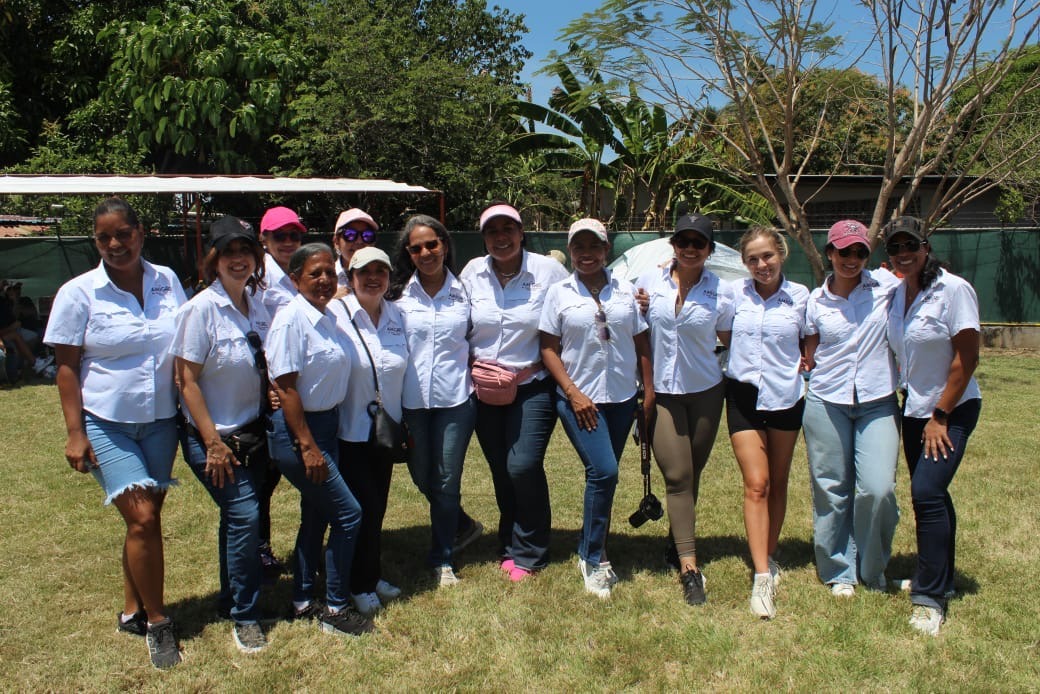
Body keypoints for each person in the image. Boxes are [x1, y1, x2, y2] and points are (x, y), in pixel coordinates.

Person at [44, 197, 186, 669]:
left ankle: (132, 610)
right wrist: (75, 432)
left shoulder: (167, 281)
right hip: (107, 422)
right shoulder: (78, 293)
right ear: (96, 241)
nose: (114, 244)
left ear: (139, 233)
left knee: (142, 522)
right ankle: (159, 623)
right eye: (104, 237)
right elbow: (66, 368)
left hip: (162, 421)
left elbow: (187, 344)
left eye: (122, 233)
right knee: (143, 518)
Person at [170, 216, 272, 653]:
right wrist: (212, 442)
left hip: (253, 433)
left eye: (245, 251)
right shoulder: (200, 310)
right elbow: (185, 381)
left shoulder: (257, 303)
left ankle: (230, 598)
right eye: (228, 252)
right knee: (246, 517)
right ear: (213, 259)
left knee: (237, 521)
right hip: (213, 438)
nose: (238, 259)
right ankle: (244, 615)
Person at [540, 218, 654, 599]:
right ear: (570, 251)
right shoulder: (558, 293)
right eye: (578, 247)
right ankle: (591, 557)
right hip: (580, 400)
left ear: (607, 251)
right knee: (603, 472)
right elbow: (548, 348)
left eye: (594, 247)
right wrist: (572, 392)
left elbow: (640, 342)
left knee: (606, 475)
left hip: (621, 397)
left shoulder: (626, 291)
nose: (586, 254)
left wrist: (647, 392)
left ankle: (596, 543)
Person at [264, 243, 373, 638]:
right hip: (301, 433)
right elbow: (287, 389)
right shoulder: (292, 319)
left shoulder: (324, 317)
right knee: (348, 514)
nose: (325, 280)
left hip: (326, 426)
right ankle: (336, 606)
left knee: (318, 515)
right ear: (295, 280)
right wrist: (307, 445)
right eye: (314, 274)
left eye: (330, 272)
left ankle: (304, 599)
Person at [884, 216, 981, 637]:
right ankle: (942, 576)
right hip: (914, 410)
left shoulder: (953, 290)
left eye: (911, 245)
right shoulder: (897, 292)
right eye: (895, 247)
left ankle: (930, 597)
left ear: (926, 246)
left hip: (951, 410)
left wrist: (941, 415)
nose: (903, 253)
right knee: (933, 494)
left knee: (925, 492)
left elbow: (967, 357)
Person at [461, 203, 568, 581]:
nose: (501, 237)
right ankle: (508, 542)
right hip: (485, 387)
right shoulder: (473, 272)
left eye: (509, 229)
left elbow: (575, 305)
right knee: (501, 470)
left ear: (522, 233)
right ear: (484, 237)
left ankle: (532, 550)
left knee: (522, 465)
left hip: (531, 384)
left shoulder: (548, 271)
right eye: (493, 231)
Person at [634, 213, 733, 606]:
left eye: (699, 242)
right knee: (677, 476)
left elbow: (731, 337)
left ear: (709, 249)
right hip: (663, 395)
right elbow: (629, 323)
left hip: (707, 391)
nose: (690, 248)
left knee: (693, 472)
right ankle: (690, 568)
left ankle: (677, 541)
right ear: (673, 245)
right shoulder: (646, 281)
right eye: (683, 241)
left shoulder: (722, 291)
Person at [802, 220, 901, 598]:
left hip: (877, 401)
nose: (852, 259)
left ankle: (873, 566)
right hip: (827, 400)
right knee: (831, 489)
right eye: (845, 252)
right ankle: (838, 570)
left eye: (860, 252)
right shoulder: (815, 300)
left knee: (877, 488)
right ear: (830, 253)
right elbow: (809, 348)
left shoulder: (887, 287)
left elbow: (923, 283)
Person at [387, 215, 476, 586]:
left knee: (446, 479)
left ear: (445, 245)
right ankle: (463, 524)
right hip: (411, 404)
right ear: (408, 253)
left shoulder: (466, 291)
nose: (426, 252)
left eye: (432, 244)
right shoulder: (395, 296)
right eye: (417, 247)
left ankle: (442, 558)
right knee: (423, 475)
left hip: (456, 400)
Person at [726, 226, 809, 619]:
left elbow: (814, 337)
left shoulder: (802, 298)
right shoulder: (733, 296)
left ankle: (770, 554)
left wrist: (808, 360)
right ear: (744, 263)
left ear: (781, 255)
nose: (762, 265)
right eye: (753, 259)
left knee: (778, 481)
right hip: (742, 395)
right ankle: (761, 576)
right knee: (756, 483)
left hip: (786, 398)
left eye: (768, 256)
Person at [330, 247, 408, 615]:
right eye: (365, 272)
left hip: (384, 432)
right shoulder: (336, 313)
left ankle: (370, 574)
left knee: (377, 509)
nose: (373, 278)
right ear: (350, 275)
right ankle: (356, 584)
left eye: (381, 271)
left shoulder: (397, 316)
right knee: (362, 509)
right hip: (349, 431)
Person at [255, 205, 306, 574]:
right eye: (280, 236)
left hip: (299, 384)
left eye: (294, 235)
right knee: (264, 476)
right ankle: (259, 550)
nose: (288, 242)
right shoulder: (258, 278)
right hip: (270, 389)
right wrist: (268, 385)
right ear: (264, 239)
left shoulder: (301, 271)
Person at [332, 208, 379, 292]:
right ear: (336, 242)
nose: (359, 241)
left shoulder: (385, 278)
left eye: (367, 235)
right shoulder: (325, 278)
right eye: (350, 234)